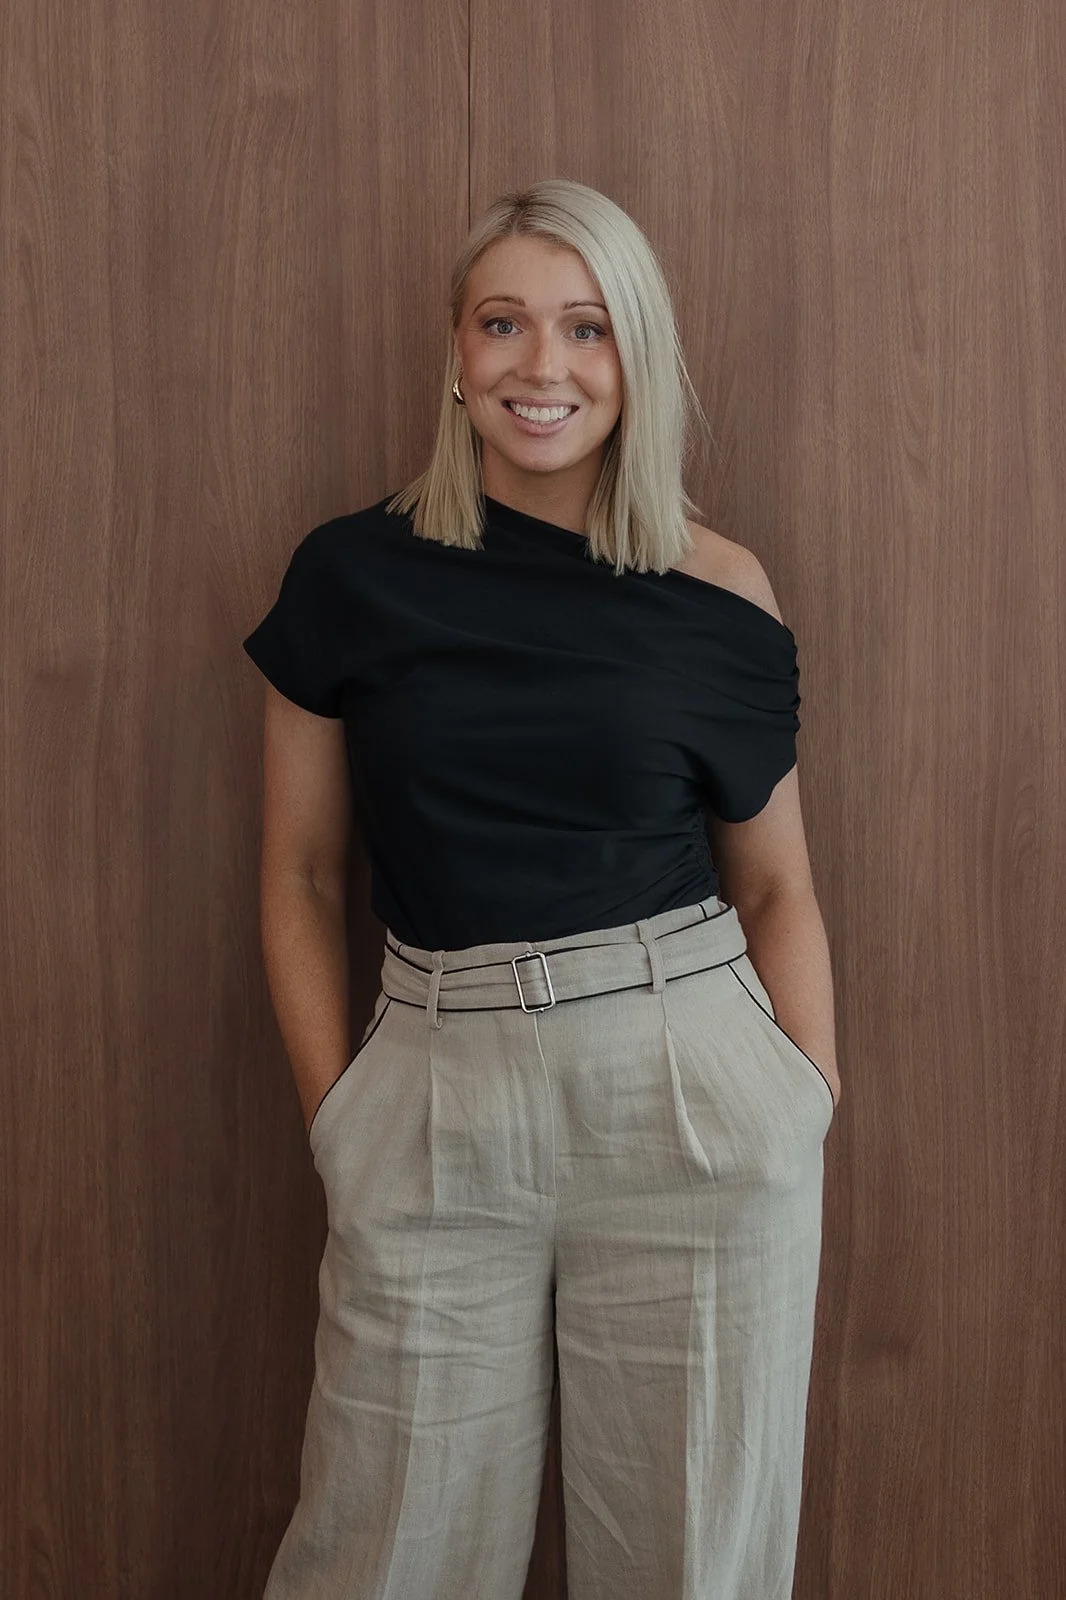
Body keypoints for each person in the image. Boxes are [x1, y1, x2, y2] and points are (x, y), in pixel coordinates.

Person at [242, 178, 842, 1600]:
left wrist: (804, 1104)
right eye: (503, 323)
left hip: (688, 1094)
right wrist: (341, 1119)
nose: (541, 366)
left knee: (691, 1563)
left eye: (586, 328)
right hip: (434, 1095)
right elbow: (300, 871)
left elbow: (777, 891)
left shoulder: (719, 588)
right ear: (455, 354)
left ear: (634, 358)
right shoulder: (352, 575)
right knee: (379, 1556)